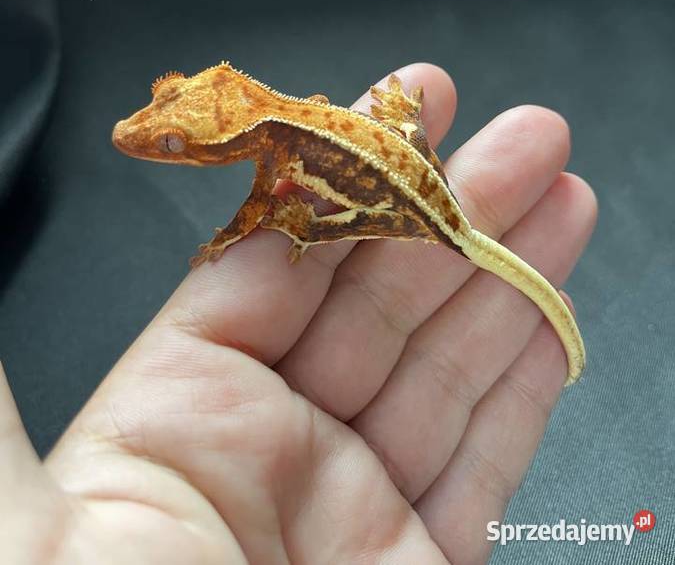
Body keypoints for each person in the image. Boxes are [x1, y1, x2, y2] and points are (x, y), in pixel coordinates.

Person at [1, 63, 596, 565]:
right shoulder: (286, 120)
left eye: (174, 145)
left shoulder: (273, 148)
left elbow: (258, 208)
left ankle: (318, 232)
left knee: (306, 226)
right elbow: (312, 107)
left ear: (235, 141)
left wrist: (228, 240)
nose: (146, 139)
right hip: (409, 165)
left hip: (408, 208)